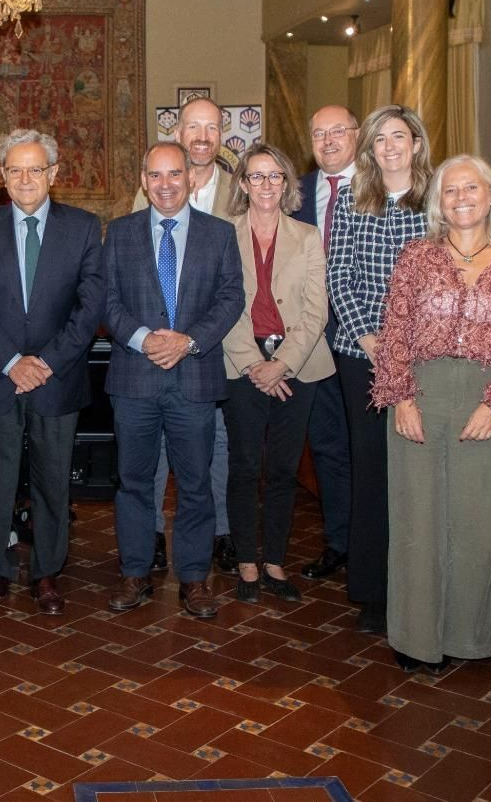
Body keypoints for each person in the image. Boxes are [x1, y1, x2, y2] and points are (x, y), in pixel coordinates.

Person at [372, 156, 491, 673]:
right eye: (450, 191)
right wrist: (401, 398)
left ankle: (465, 637)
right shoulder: (416, 259)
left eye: (471, 188)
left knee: (475, 522)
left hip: (484, 402)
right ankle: (414, 639)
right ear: (439, 205)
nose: (461, 197)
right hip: (420, 396)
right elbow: (394, 334)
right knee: (416, 522)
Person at [0, 129, 104, 615]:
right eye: (14, 169)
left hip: (56, 378)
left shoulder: (83, 228)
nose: (25, 178)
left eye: (34, 169)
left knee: (52, 481)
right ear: (2, 176)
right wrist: (11, 363)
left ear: (53, 174)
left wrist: (46, 362)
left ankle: (46, 574)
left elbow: (89, 305)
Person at [104, 142, 245, 619]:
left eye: (174, 174)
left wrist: (187, 341)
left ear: (190, 178)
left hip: (195, 376)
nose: (165, 184)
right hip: (134, 378)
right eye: (156, 175)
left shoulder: (219, 234)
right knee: (134, 481)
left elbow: (230, 299)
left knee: (196, 482)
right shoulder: (119, 234)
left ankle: (193, 578)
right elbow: (106, 302)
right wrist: (145, 339)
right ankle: (136, 571)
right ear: (144, 180)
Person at [327, 104, 432, 635]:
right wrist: (373, 340)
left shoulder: (438, 201)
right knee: (372, 473)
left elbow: (444, 282)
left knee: (415, 476)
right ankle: (374, 592)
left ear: (416, 143)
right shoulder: (351, 198)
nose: (389, 146)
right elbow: (338, 275)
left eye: (399, 136)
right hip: (360, 354)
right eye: (379, 138)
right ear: (368, 149)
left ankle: (419, 588)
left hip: (424, 360)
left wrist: (406, 347)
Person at [220, 142, 334, 605]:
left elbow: (315, 311)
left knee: (284, 470)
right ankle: (246, 559)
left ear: (287, 184)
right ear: (243, 184)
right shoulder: (221, 235)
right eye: (256, 176)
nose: (266, 185)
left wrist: (282, 364)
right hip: (239, 364)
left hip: (299, 367)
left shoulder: (307, 237)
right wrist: (254, 365)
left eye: (275, 176)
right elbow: (222, 306)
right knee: (245, 467)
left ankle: (274, 561)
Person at [131, 95, 235, 576]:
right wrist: (150, 338)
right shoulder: (151, 188)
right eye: (193, 126)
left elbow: (235, 287)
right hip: (151, 356)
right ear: (178, 133)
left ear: (222, 134)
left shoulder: (243, 188)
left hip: (217, 350)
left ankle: (216, 539)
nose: (201, 135)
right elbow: (133, 275)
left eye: (210, 127)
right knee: (147, 464)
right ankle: (149, 537)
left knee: (212, 454)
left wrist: (191, 339)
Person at [292, 105, 359, 582]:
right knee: (329, 444)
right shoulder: (297, 190)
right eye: (320, 133)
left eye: (339, 131)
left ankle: (375, 542)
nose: (329, 140)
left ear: (357, 135)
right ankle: (340, 541)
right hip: (312, 340)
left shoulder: (380, 189)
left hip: (367, 342)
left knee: (370, 447)